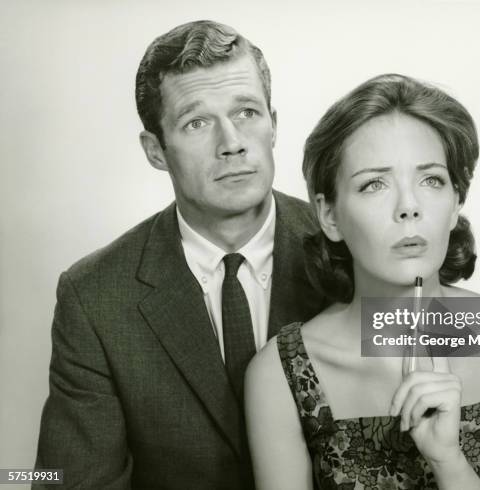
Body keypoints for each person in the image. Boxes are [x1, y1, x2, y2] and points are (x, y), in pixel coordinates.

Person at [245, 74, 480, 489]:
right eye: (374, 184)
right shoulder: (278, 373)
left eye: (431, 180)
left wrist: (447, 460)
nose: (409, 207)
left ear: (456, 201)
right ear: (329, 215)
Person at [35, 20, 325, 489]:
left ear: (275, 125)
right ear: (155, 150)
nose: (231, 142)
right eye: (197, 122)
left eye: (248, 112)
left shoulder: (352, 251)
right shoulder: (92, 297)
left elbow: (475, 336)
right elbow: (65, 482)